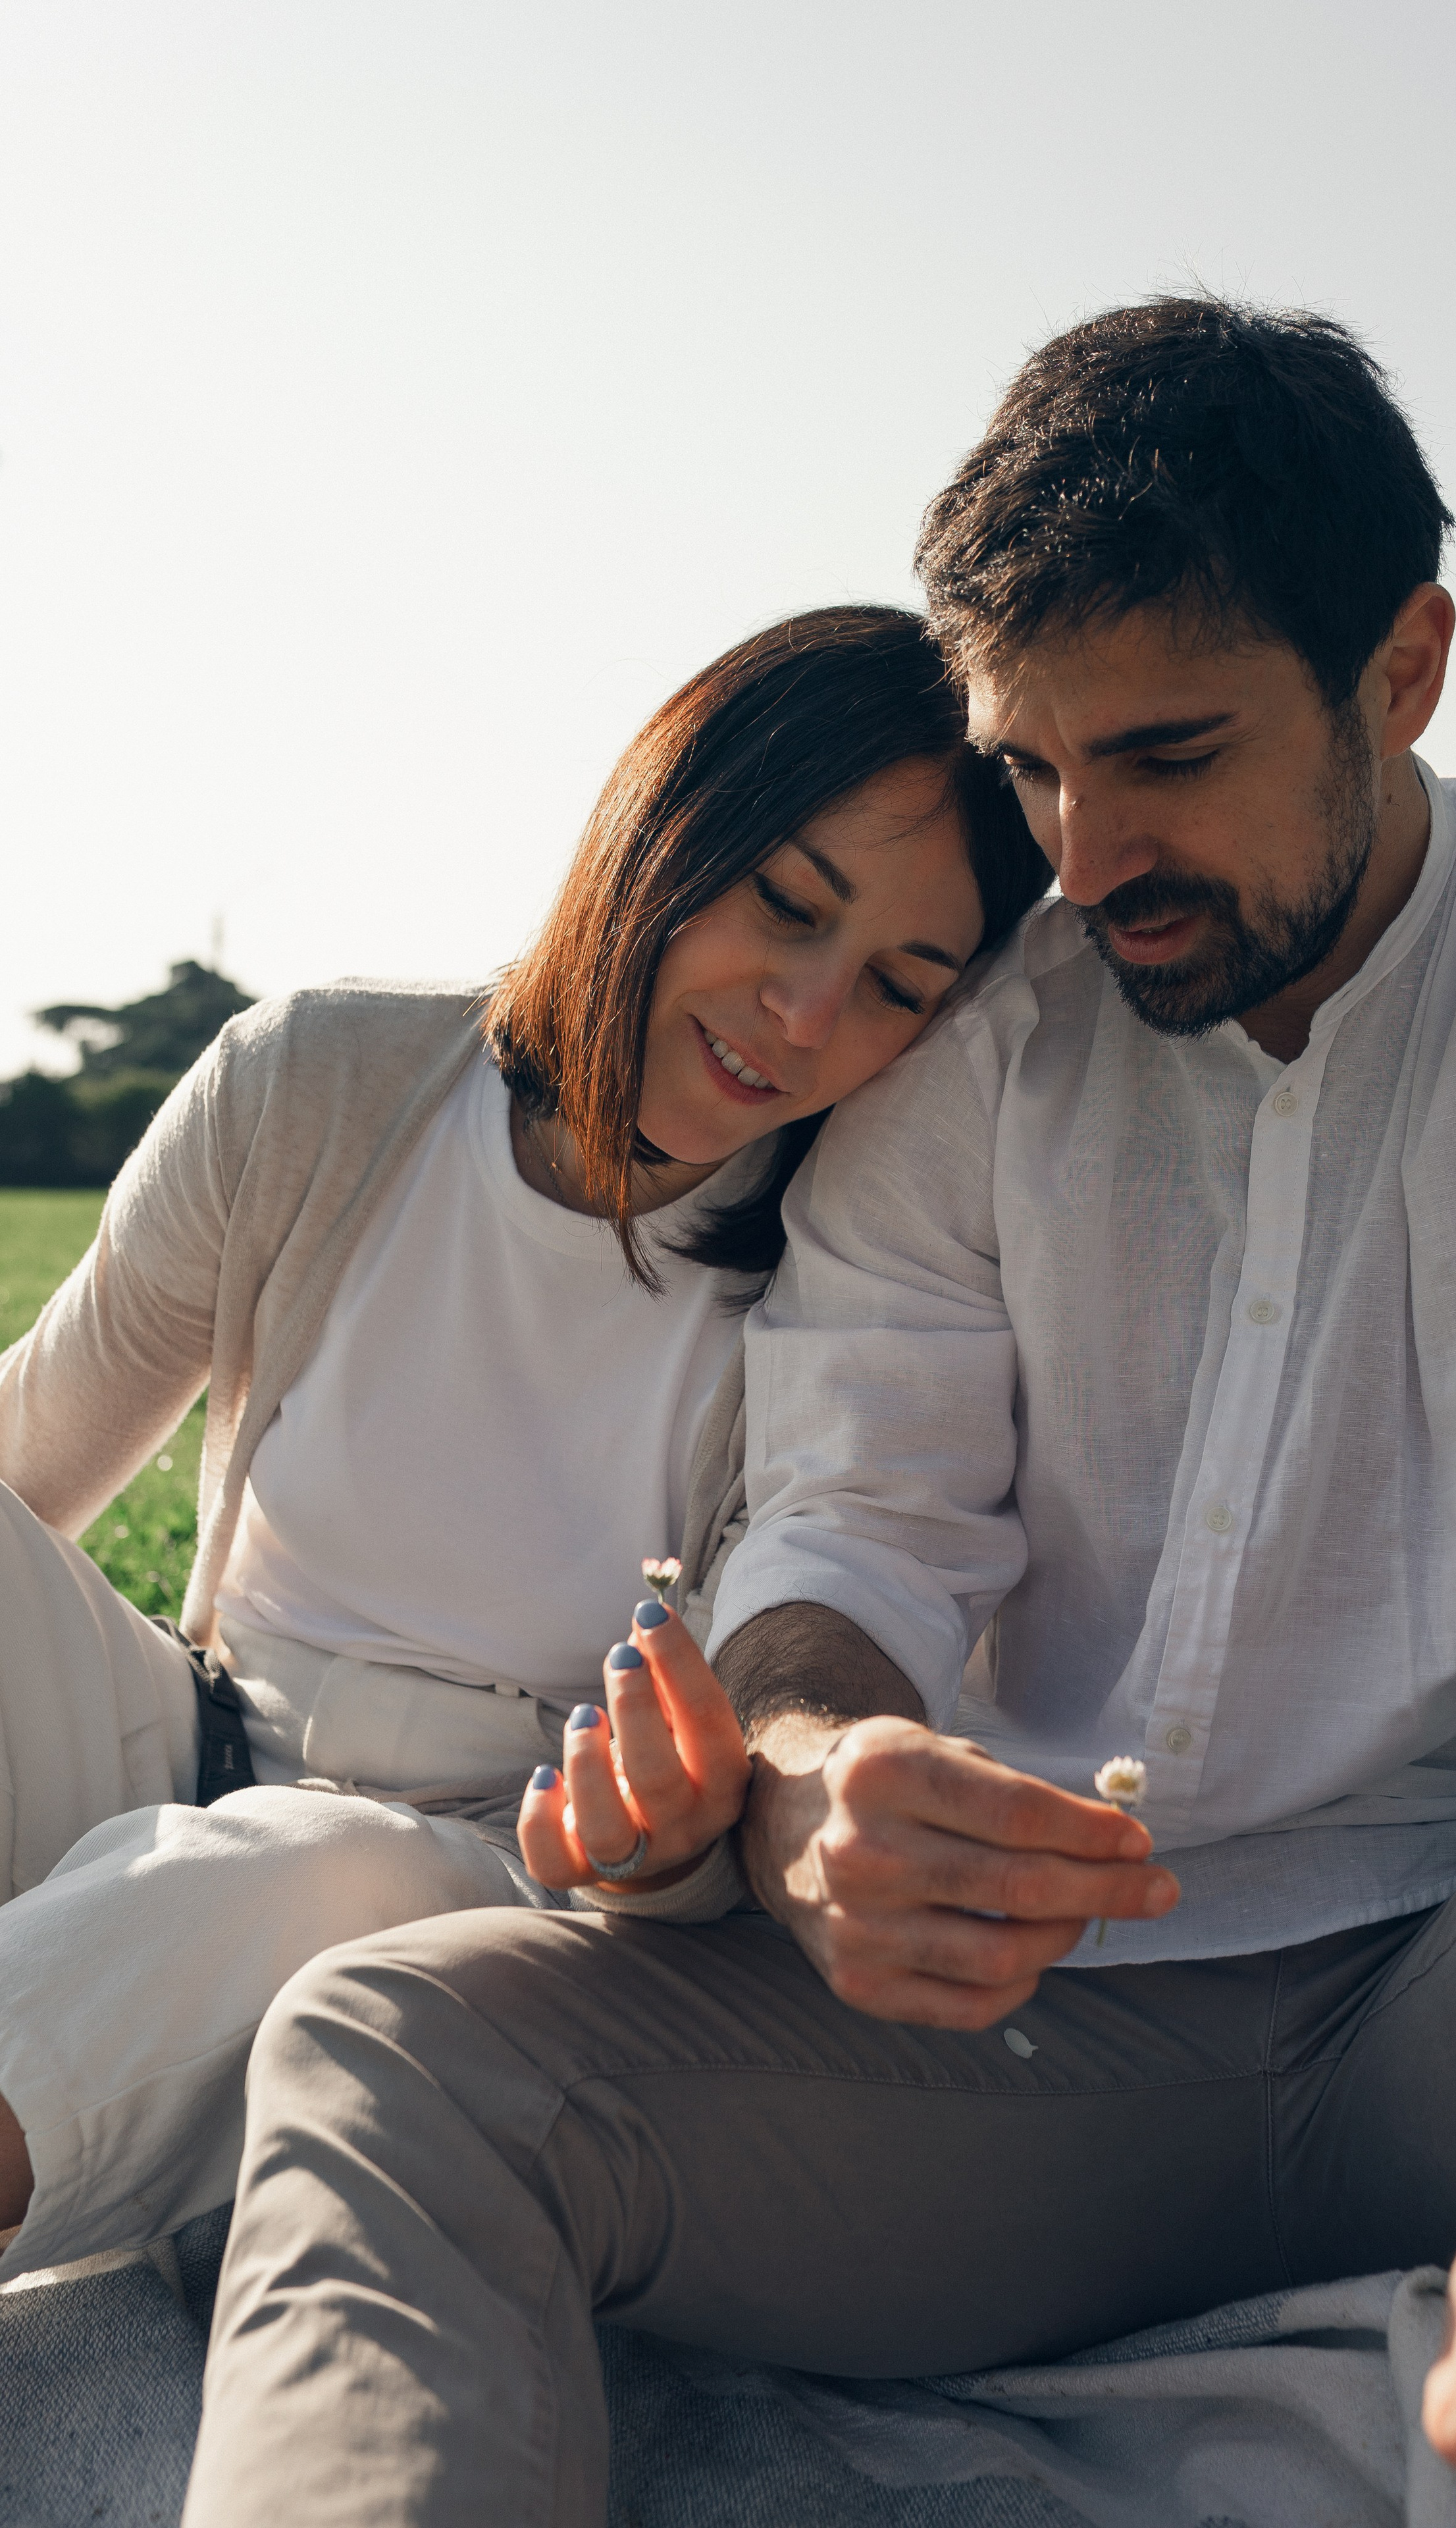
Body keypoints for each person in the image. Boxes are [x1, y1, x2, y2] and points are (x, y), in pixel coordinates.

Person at [184, 301, 1456, 2528]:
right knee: (388, 2052)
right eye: (1028, 768)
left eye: (1167, 754)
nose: (1078, 861)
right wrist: (802, 1776)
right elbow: (850, 1531)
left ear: (1405, 671)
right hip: (1018, 2053)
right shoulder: (987, 1036)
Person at [0, 603, 1049, 2276]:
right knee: (219, 1848)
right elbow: (26, 1471)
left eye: (894, 989)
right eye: (784, 903)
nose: (799, 1014)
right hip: (180, 1746)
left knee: (298, 1878)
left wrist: (663, 1846)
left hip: (463, 1883)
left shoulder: (856, 1288)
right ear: (661, 816)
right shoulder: (319, 1085)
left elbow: (727, 1809)